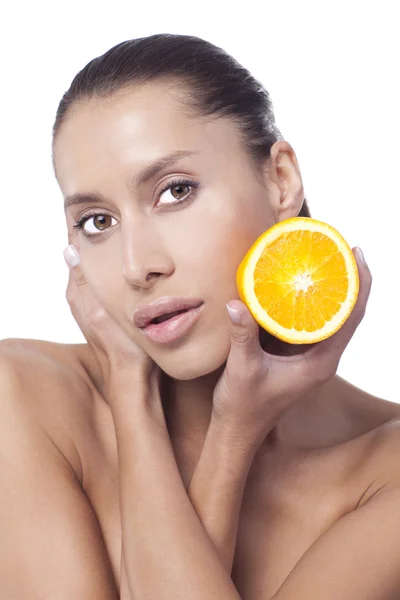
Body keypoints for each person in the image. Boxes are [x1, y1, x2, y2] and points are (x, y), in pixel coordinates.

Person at [1, 32, 400, 600]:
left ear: (280, 179)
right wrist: (131, 391)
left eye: (175, 191)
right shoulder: (23, 397)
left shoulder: (388, 471)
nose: (138, 267)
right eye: (97, 222)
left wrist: (233, 430)